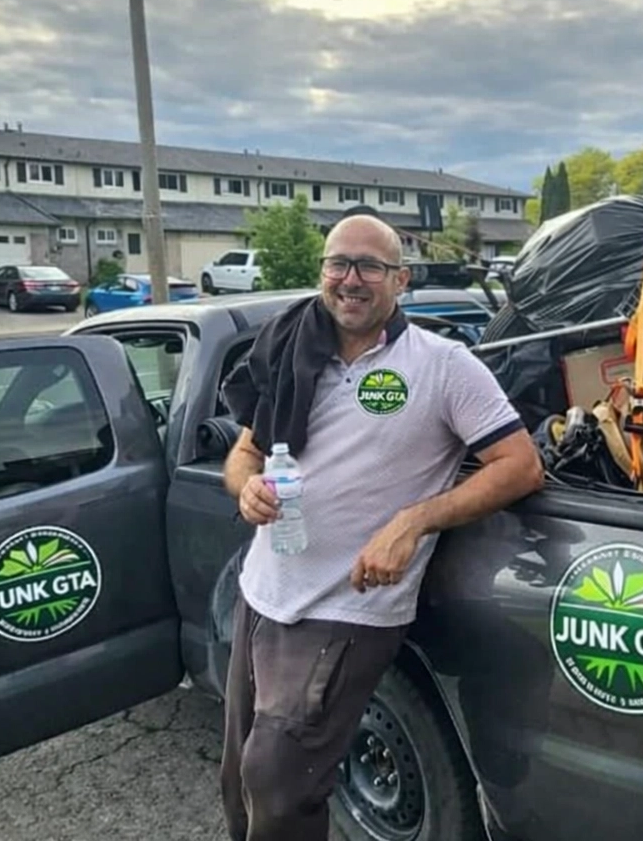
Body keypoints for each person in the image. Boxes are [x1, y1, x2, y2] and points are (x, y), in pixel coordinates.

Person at [215, 214, 543, 841]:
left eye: (369, 266)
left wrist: (415, 520)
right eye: (338, 264)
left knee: (280, 783)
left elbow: (521, 465)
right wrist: (246, 487)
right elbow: (245, 454)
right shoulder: (295, 356)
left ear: (401, 280)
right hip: (263, 594)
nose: (351, 279)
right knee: (241, 782)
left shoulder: (443, 365)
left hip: (348, 607)